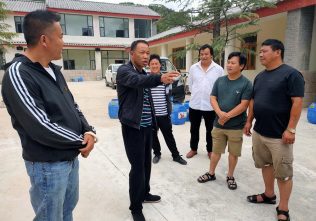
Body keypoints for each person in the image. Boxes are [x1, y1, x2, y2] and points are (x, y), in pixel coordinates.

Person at [1, 10, 97, 221]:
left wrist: (89, 130)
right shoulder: (18, 73)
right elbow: (40, 125)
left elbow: (72, 106)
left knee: (66, 211)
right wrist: (81, 141)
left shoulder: (53, 70)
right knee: (49, 217)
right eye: (61, 36)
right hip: (48, 166)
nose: (64, 42)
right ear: (44, 39)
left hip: (69, 158)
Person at [116, 40, 179, 221]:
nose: (145, 56)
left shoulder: (143, 72)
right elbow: (138, 81)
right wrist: (159, 78)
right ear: (131, 53)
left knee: (146, 164)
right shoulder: (125, 71)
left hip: (146, 126)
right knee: (137, 168)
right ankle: (135, 207)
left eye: (148, 53)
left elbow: (147, 91)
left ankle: (145, 193)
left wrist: (153, 122)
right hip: (132, 127)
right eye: (142, 53)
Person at [244, 39, 304, 221]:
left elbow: (297, 102)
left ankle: (283, 208)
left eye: (264, 51)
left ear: (277, 52)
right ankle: (269, 194)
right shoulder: (260, 76)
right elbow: (254, 101)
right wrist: (249, 121)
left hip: (280, 136)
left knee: (284, 174)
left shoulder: (292, 75)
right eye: (260, 51)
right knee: (266, 165)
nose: (260, 54)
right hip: (260, 131)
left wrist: (291, 129)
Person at [197, 52, 252, 190]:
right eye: (228, 62)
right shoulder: (220, 81)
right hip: (219, 124)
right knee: (216, 151)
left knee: (233, 153)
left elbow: (244, 104)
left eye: (233, 63)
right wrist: (220, 113)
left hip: (236, 126)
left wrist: (227, 116)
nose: (229, 65)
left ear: (241, 66)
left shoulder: (246, 83)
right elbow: (213, 98)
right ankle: (211, 173)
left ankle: (230, 176)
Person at [186, 44, 224, 159]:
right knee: (194, 129)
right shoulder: (193, 68)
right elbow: (190, 85)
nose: (203, 56)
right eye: (201, 54)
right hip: (195, 104)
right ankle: (193, 149)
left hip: (211, 106)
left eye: (206, 54)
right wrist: (197, 94)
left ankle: (210, 150)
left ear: (211, 55)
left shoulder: (218, 69)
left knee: (210, 130)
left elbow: (220, 87)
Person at [148, 54, 187, 165]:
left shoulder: (166, 79)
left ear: (160, 65)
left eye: (156, 63)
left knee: (169, 136)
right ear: (149, 65)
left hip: (164, 114)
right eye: (152, 64)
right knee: (153, 136)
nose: (154, 66)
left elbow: (170, 92)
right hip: (152, 115)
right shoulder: (147, 79)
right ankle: (157, 154)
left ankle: (175, 155)